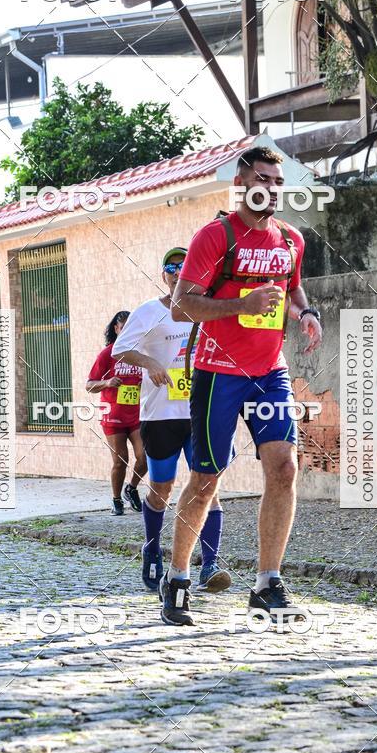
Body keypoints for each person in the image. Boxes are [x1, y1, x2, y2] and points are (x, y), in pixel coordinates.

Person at [165, 145, 323, 626]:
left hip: (269, 372)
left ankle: (267, 582)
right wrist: (241, 306)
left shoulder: (291, 239)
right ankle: (177, 578)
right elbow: (181, 306)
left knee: (284, 468)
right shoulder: (215, 236)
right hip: (217, 372)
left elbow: (290, 286)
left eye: (279, 182)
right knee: (207, 478)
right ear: (242, 182)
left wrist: (305, 312)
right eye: (264, 179)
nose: (272, 189)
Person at [112, 248, 230, 603]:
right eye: (171, 267)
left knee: (207, 485)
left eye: (185, 266)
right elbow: (121, 349)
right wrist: (149, 363)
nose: (179, 272)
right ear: (163, 274)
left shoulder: (209, 309)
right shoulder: (148, 311)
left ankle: (209, 564)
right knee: (162, 486)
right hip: (160, 414)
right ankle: (151, 548)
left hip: (201, 412)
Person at [86, 311, 147, 515]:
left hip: (137, 415)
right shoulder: (107, 354)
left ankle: (131, 488)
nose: (128, 332)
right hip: (113, 416)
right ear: (116, 329)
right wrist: (107, 382)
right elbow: (89, 385)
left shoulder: (140, 353)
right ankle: (116, 499)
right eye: (123, 328)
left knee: (145, 457)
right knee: (120, 461)